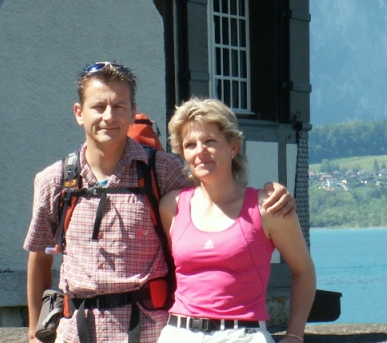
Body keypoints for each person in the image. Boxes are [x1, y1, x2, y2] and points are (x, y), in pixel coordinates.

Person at [24, 62, 294, 343]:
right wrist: (34, 334)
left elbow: (217, 197)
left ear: (132, 112)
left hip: (149, 331)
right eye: (98, 106)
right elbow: (39, 257)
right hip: (75, 332)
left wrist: (271, 193)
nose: (108, 116)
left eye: (119, 106)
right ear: (79, 113)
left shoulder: (163, 170)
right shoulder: (54, 180)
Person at [158, 97, 316, 343]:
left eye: (210, 141)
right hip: (179, 333)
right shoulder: (172, 206)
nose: (200, 151)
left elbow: (304, 271)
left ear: (233, 147)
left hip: (242, 334)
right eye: (190, 144)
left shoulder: (267, 206)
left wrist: (295, 335)